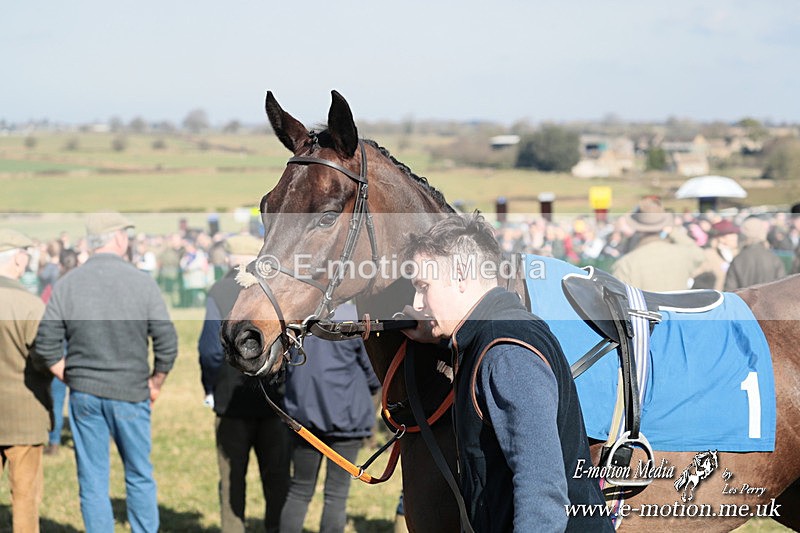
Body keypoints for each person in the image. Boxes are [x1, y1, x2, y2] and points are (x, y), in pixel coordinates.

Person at [400, 213, 612, 532]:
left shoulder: (506, 353)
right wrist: (434, 334)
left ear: (459, 276)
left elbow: (542, 492)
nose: (417, 302)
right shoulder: (500, 330)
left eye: (423, 287)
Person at [33, 212, 178, 533]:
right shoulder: (142, 282)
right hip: (131, 393)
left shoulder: (67, 283)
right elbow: (167, 342)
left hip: (85, 396)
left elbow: (46, 346)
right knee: (139, 474)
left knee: (92, 478)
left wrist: (71, 377)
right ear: (117, 239)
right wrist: (157, 382)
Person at [198, 234, 291, 533]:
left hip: (230, 402)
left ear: (229, 258)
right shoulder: (280, 290)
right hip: (275, 399)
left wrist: (211, 387)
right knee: (277, 479)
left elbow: (209, 351)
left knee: (231, 481)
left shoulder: (220, 290)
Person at [279, 303, 381, 533]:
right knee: (336, 495)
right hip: (346, 419)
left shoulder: (299, 313)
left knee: (299, 490)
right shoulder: (350, 318)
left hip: (303, 416)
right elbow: (373, 371)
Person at [0, 229, 50, 533]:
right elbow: (45, 359)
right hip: (24, 413)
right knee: (25, 499)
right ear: (18, 259)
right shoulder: (30, 305)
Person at [611, 198, 705, 291]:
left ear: (635, 226)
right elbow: (699, 254)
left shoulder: (626, 264)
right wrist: (672, 231)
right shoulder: (683, 254)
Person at [44, 248, 80, 456]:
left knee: (57, 397)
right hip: (79, 343)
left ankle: (54, 441)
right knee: (78, 395)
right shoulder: (85, 285)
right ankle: (78, 438)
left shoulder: (54, 287)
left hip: (59, 343)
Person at [724, 216, 786, 291]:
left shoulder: (738, 259)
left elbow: (730, 292)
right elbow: (782, 288)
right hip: (769, 301)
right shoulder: (773, 258)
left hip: (744, 302)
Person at [692, 219, 739, 291]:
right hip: (719, 298)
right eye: (730, 234)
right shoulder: (709, 255)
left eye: (735, 234)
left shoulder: (738, 252)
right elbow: (693, 274)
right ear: (720, 238)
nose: (735, 237)